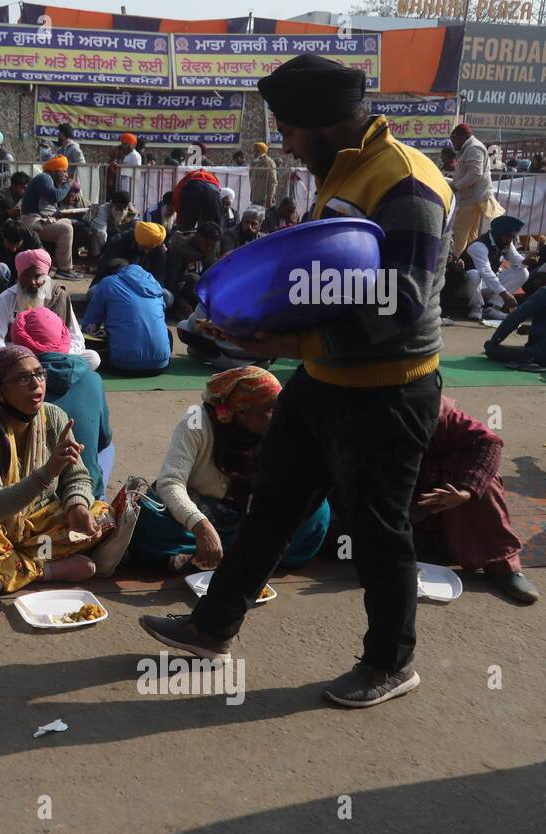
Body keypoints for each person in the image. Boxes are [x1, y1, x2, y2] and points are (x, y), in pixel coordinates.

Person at [139, 54, 452, 708]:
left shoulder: (406, 184)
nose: (281, 140)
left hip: (388, 392)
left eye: (286, 128)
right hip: (323, 379)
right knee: (272, 505)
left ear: (321, 123)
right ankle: (212, 627)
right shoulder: (340, 170)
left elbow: (400, 305)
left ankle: (391, 664)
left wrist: (292, 341)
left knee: (378, 531)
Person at [0, 347, 123, 593]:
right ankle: (44, 569)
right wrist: (47, 472)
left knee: (104, 516)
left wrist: (77, 506)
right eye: (23, 378)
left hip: (38, 522)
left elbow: (78, 476)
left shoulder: (54, 417)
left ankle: (6, 570)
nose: (36, 384)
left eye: (39, 374)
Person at [132, 367, 329, 573]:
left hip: (250, 518)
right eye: (270, 409)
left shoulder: (279, 427)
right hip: (201, 511)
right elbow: (170, 482)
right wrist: (201, 527)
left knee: (317, 510)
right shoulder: (195, 421)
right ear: (242, 411)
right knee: (147, 519)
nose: (278, 415)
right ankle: (244, 556)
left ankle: (213, 557)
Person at [407, 396, 537, 605]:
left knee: (485, 486)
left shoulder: (441, 415)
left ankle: (501, 566)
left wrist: (465, 493)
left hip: (444, 500)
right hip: (396, 503)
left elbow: (489, 443)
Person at [10, 309, 114, 499]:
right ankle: (96, 498)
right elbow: (103, 439)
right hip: (84, 494)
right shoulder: (93, 379)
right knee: (108, 447)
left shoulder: (10, 385)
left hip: (29, 495)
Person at [0, 248, 100, 370]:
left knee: (93, 357)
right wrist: (18, 356)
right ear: (19, 275)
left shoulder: (59, 296)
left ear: (46, 276)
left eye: (38, 276)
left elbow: (77, 338)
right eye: (26, 276)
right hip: (20, 359)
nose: (32, 282)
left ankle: (36, 375)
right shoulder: (6, 298)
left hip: (55, 358)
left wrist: (60, 355)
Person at [83, 261, 171, 376]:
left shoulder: (108, 282)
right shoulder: (155, 285)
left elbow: (89, 325)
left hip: (122, 365)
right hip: (160, 365)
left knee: (86, 341)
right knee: (166, 332)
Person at [19, 155, 83, 281]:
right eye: (63, 171)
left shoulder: (49, 180)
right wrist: (67, 185)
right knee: (66, 229)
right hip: (31, 222)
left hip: (40, 219)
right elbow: (55, 196)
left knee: (68, 223)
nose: (65, 175)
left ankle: (62, 264)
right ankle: (64, 269)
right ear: (54, 171)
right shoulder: (43, 178)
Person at [449, 123, 503, 257]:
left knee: (460, 230)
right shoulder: (468, 148)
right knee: (470, 233)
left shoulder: (474, 148)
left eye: (454, 140)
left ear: (461, 137)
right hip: (470, 197)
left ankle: (455, 260)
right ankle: (470, 259)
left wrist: (456, 186)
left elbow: (475, 173)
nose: (453, 144)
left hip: (473, 198)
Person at [461, 215, 527, 322]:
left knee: (523, 272)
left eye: (512, 237)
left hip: (486, 285)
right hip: (466, 288)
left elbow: (516, 260)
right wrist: (505, 294)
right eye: (508, 236)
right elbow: (486, 272)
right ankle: (476, 307)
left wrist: (526, 261)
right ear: (498, 233)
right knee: (474, 274)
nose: (510, 240)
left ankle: (492, 308)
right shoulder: (479, 245)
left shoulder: (505, 242)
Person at [162, 222, 221, 321]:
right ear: (197, 236)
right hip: (178, 287)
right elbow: (169, 282)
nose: (209, 248)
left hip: (199, 290)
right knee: (194, 279)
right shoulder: (179, 248)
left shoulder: (211, 249)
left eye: (212, 245)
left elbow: (212, 275)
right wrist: (182, 304)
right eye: (206, 244)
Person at [0, 218, 43, 306]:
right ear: (3, 237)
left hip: (24, 279)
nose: (14, 249)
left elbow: (43, 263)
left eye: (17, 245)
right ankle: (5, 298)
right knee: (0, 269)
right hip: (3, 283)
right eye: (10, 244)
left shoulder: (31, 237)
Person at [484, 284, 546, 370]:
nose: (535, 281)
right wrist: (531, 329)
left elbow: (516, 317)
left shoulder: (544, 292)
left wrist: (495, 340)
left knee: (489, 348)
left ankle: (530, 361)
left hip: (540, 355)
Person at [96, 220, 168, 286]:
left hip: (144, 286)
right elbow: (106, 270)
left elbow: (159, 276)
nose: (147, 251)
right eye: (144, 247)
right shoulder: (117, 242)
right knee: (93, 292)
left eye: (150, 248)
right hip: (116, 283)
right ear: (137, 240)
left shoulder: (157, 247)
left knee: (168, 296)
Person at [172, 168, 224, 232]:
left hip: (193, 187)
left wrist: (180, 220)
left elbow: (177, 194)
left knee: (186, 229)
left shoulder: (188, 177)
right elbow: (218, 192)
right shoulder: (213, 177)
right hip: (213, 191)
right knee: (214, 229)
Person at [249, 141, 278, 208]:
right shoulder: (255, 162)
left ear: (263, 152)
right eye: (254, 151)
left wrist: (269, 198)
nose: (255, 153)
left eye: (257, 151)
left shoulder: (268, 162)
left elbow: (273, 182)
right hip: (254, 197)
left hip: (264, 198)